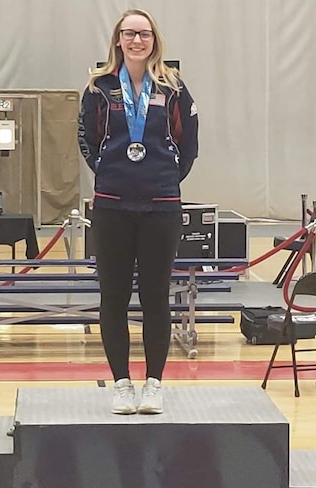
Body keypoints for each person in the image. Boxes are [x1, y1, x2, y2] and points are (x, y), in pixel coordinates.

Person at [78, 8, 199, 415]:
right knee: (112, 297)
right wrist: (110, 172)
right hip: (112, 206)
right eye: (129, 34)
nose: (136, 41)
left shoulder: (173, 87)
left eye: (144, 34)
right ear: (117, 39)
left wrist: (164, 177)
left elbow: (190, 144)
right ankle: (121, 383)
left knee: (155, 297)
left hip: (161, 206)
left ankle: (154, 383)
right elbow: (87, 140)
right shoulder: (99, 87)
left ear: (154, 40)